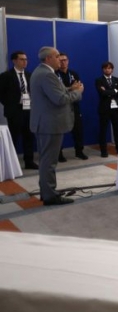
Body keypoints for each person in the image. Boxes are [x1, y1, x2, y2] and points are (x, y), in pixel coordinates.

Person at [30, 47, 83, 205]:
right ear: (48, 59)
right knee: (49, 162)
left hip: (43, 123)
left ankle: (46, 191)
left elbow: (52, 92)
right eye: (57, 56)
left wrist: (69, 88)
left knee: (46, 160)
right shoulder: (47, 75)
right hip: (50, 125)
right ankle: (50, 196)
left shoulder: (39, 72)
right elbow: (59, 99)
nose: (60, 59)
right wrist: (78, 92)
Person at [0, 51, 38, 169]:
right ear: (14, 61)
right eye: (22, 59)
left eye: (26, 59)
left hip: (28, 110)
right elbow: (1, 94)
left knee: (29, 137)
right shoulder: (6, 76)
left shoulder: (29, 75)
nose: (25, 62)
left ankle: (29, 161)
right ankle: (12, 164)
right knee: (14, 138)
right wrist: (12, 103)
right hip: (14, 112)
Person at [56, 52, 88, 161]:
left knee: (78, 130)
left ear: (68, 61)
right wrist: (71, 88)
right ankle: (59, 154)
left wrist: (74, 89)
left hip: (74, 105)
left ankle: (79, 151)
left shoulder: (73, 74)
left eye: (65, 60)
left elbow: (79, 88)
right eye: (60, 60)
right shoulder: (54, 75)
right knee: (59, 131)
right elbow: (58, 91)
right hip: (60, 107)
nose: (63, 62)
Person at [96, 61, 118, 158]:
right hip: (104, 109)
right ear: (103, 69)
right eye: (105, 68)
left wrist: (108, 91)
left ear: (112, 69)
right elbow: (102, 93)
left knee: (117, 130)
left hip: (116, 108)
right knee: (103, 130)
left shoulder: (117, 79)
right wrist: (114, 91)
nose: (107, 70)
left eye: (109, 68)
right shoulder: (99, 80)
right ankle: (104, 151)